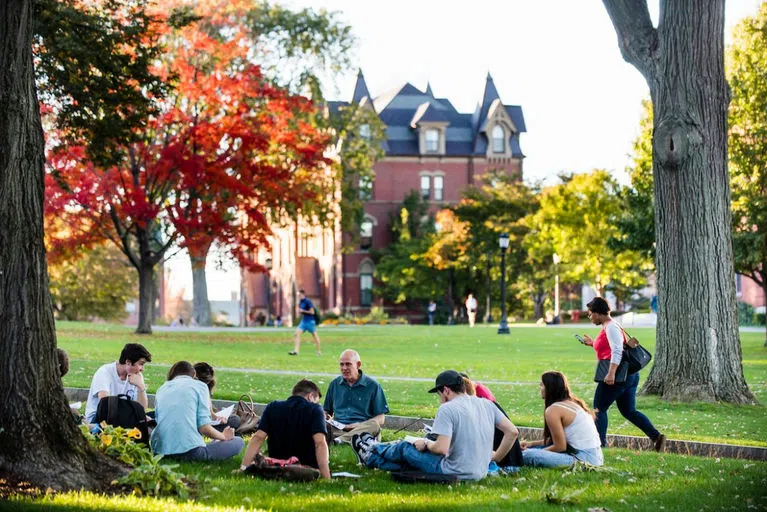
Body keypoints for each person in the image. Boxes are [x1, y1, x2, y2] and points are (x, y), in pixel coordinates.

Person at [351, 370, 518, 481]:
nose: (439, 399)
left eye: (439, 394)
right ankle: (371, 457)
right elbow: (512, 432)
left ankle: (372, 449)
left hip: (452, 471)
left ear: (446, 390)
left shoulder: (447, 409)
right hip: (479, 472)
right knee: (406, 464)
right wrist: (495, 457)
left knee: (405, 448)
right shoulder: (486, 404)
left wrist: (425, 443)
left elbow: (441, 449)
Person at [581, 297, 665, 451]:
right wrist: (592, 343)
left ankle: (600, 446)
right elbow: (613, 346)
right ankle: (656, 437)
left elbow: (617, 350)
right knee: (628, 411)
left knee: (599, 408)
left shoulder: (611, 327)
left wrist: (611, 373)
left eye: (590, 313)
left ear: (598, 313)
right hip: (629, 376)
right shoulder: (610, 325)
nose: (589, 317)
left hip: (618, 375)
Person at [150, 361, 244, 461]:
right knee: (238, 442)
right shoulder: (200, 386)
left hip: (160, 450)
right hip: (189, 451)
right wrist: (224, 436)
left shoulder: (161, 389)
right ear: (194, 375)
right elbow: (204, 428)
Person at [240, 379, 331, 479]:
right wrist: (326, 477)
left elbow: (258, 438)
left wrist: (243, 468)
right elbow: (320, 443)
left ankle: (279, 468)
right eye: (316, 400)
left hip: (276, 461)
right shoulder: (315, 409)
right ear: (310, 396)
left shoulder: (273, 407)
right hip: (306, 464)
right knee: (327, 429)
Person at [521, 371, 603, 468]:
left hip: (582, 460)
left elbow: (560, 446)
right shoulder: (573, 403)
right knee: (530, 450)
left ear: (550, 388)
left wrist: (538, 452)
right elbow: (556, 441)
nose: (540, 388)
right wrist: (531, 444)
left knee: (526, 455)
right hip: (596, 457)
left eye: (542, 385)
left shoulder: (553, 410)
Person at [323, 349, 389, 444]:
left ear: (358, 365)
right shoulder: (334, 384)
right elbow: (326, 411)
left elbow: (381, 418)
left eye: (348, 364)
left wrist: (358, 425)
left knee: (374, 425)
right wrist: (322, 417)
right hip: (338, 429)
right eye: (341, 364)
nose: (344, 368)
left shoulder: (373, 386)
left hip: (362, 428)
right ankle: (345, 440)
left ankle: (340, 440)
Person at [84, 343, 151, 424]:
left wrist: (141, 387)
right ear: (128, 362)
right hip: (98, 419)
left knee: (151, 419)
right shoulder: (104, 372)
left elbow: (142, 410)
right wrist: (132, 416)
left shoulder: (136, 376)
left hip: (122, 417)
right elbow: (106, 405)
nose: (142, 369)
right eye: (141, 364)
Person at [193, 362, 241, 433]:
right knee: (235, 419)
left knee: (232, 418)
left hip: (197, 423)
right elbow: (204, 416)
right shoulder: (200, 390)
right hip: (198, 426)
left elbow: (210, 414)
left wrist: (217, 418)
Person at [289, 289, 321, 356]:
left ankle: (318, 351)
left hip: (310, 321)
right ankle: (296, 351)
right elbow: (301, 311)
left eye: (299, 295)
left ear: (303, 294)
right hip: (304, 321)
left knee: (314, 336)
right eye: (298, 295)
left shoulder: (307, 301)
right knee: (297, 333)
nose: (298, 296)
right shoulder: (301, 302)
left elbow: (312, 312)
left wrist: (303, 311)